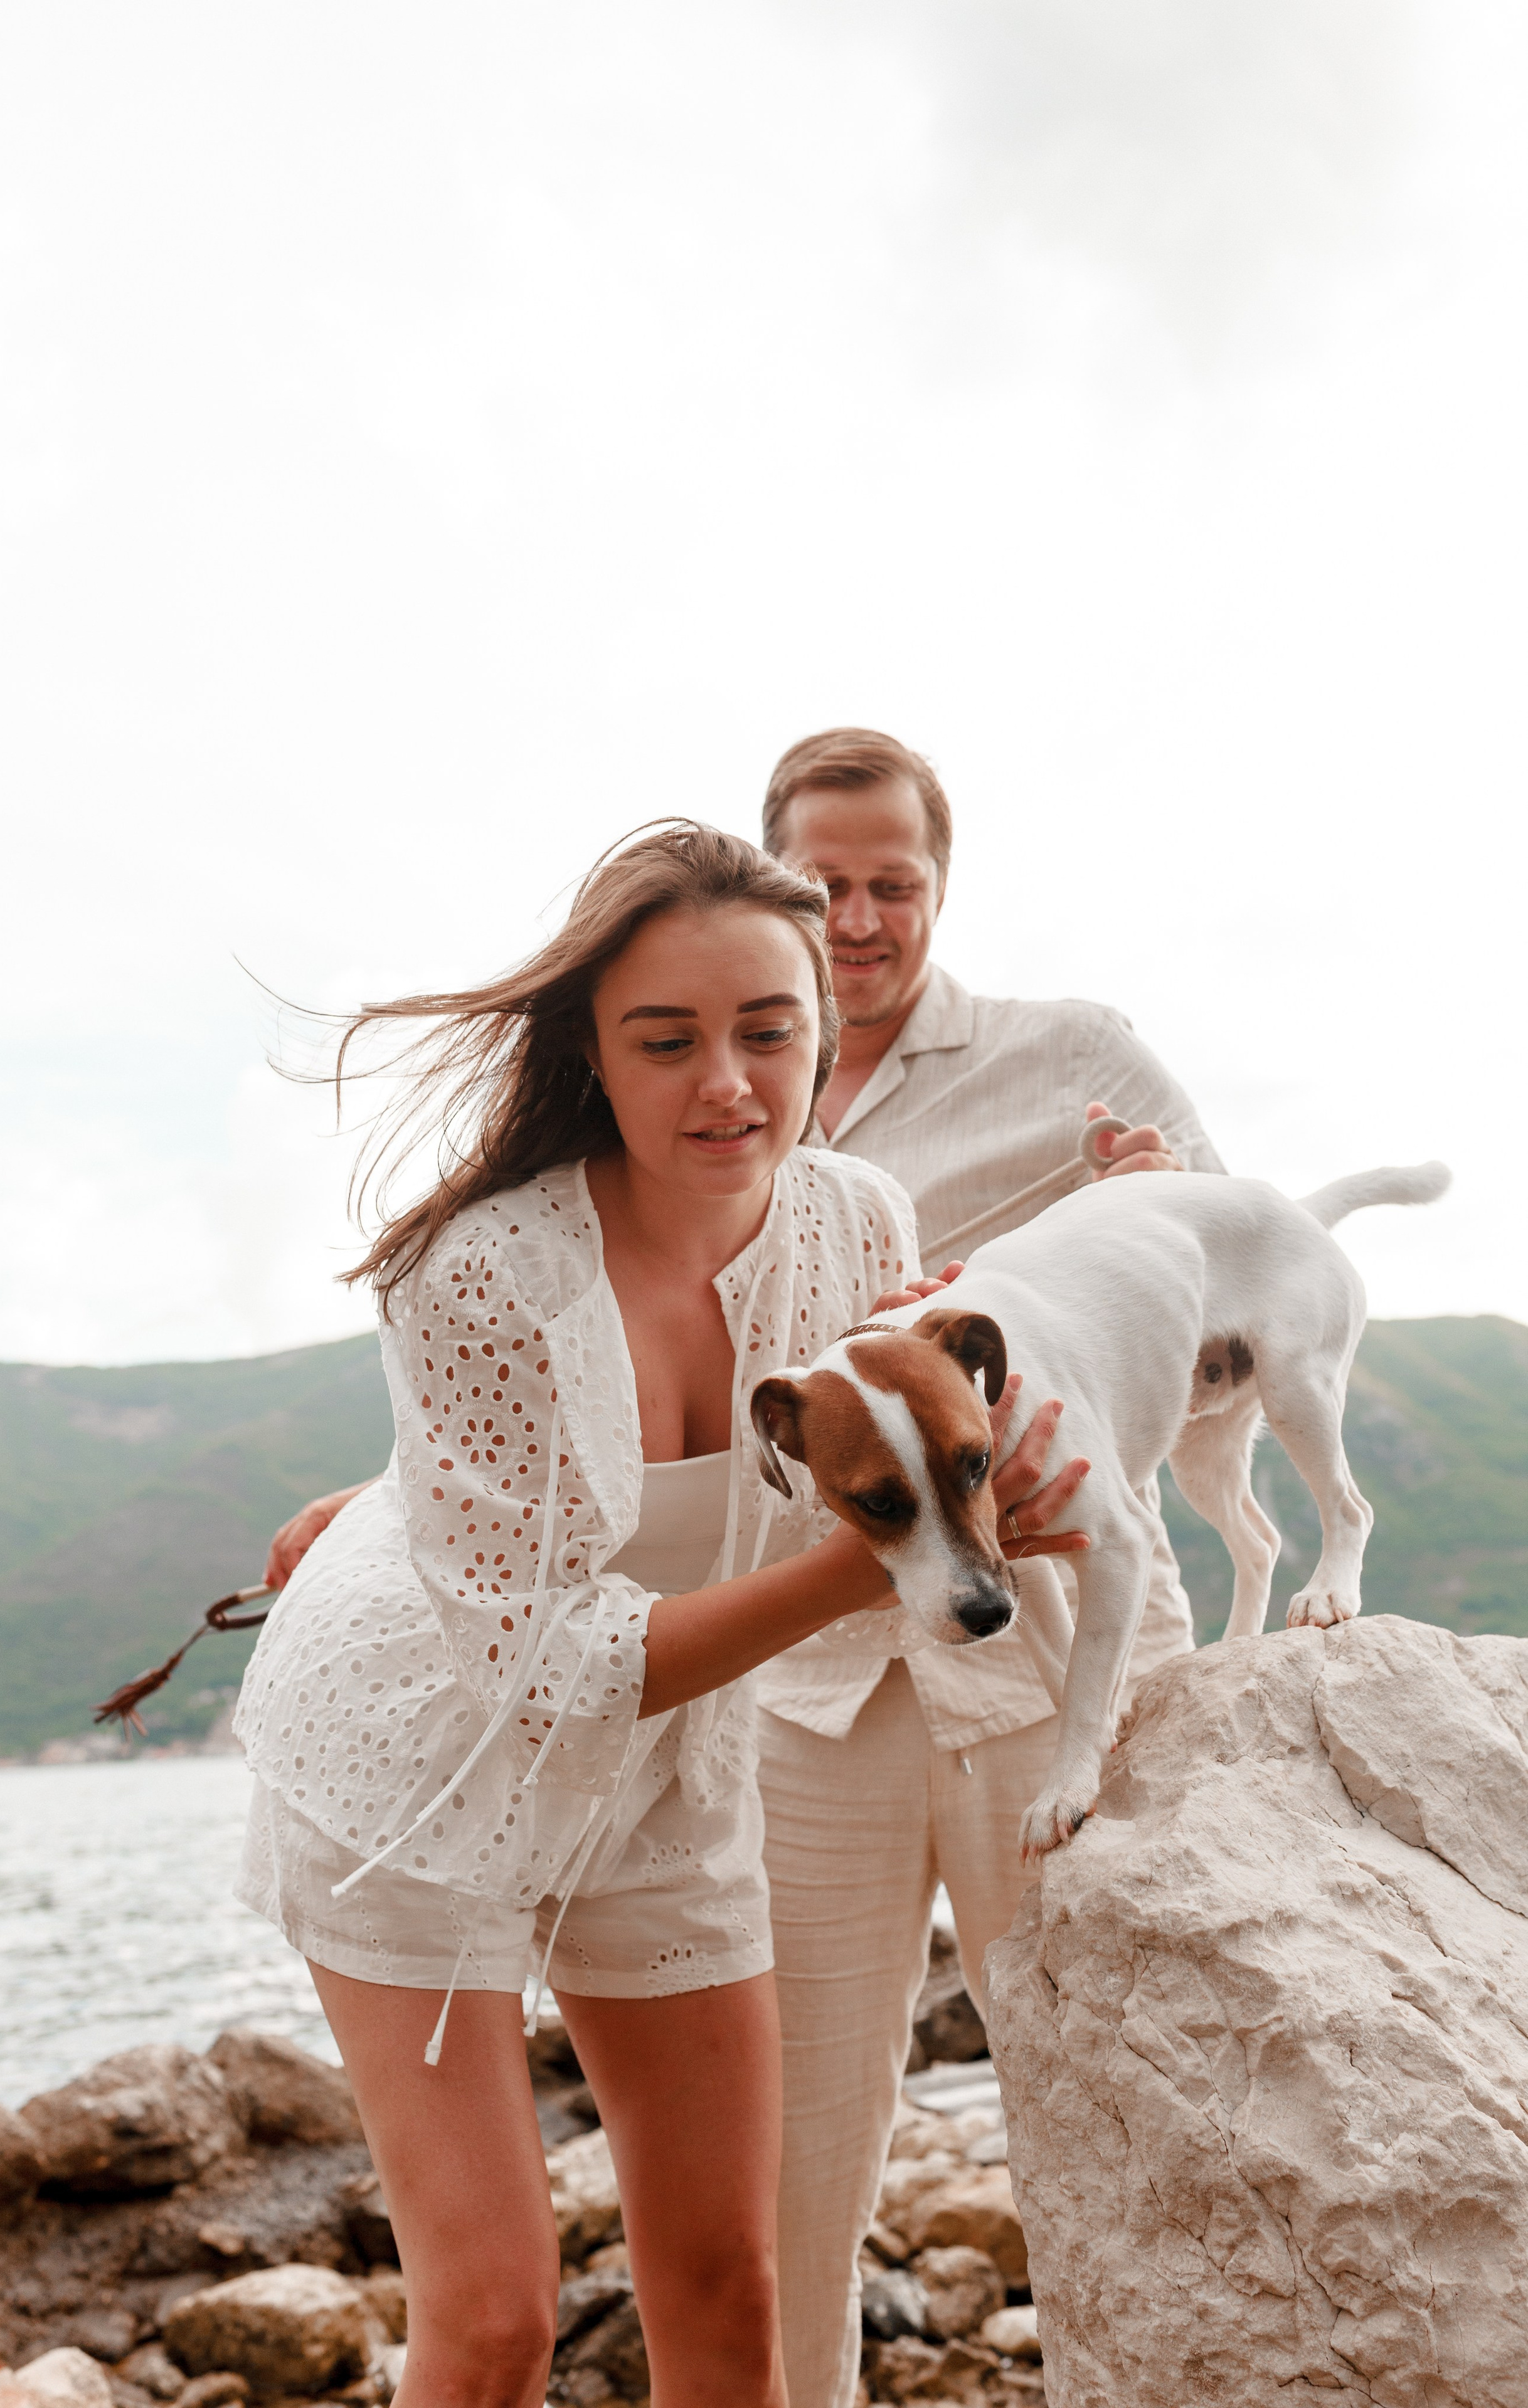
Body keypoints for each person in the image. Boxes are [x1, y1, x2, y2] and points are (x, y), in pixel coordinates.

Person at [235, 821, 1088, 2408]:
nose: (727, 1085)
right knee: (492, 2324)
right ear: (592, 1055)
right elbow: (549, 1667)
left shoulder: (857, 1229)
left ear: (821, 1034)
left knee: (725, 2281)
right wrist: (875, 1564)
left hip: (668, 1760)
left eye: (768, 1031)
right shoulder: (473, 1271)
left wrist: (984, 1475)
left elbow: (858, 1462)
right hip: (422, 1767)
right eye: (667, 1040)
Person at [752, 729, 1223, 2408]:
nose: (861, 916)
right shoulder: (733, 1084)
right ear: (777, 883)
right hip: (818, 1691)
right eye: (827, 884)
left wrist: (1159, 1201)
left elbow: (1222, 1288)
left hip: (1059, 1660)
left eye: (895, 884)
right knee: (795, 2137)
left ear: (940, 886)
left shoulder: (1077, 1051)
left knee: (1120, 2085)